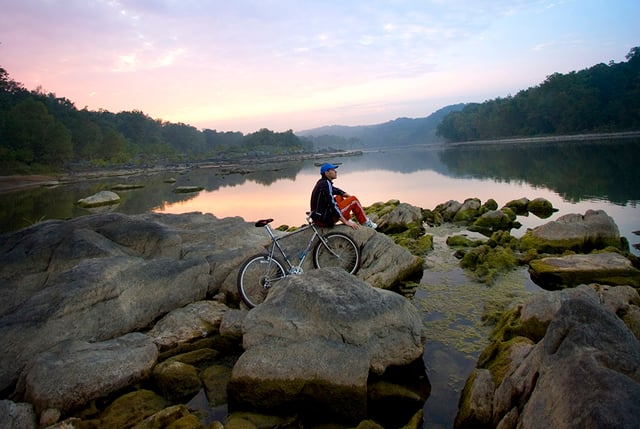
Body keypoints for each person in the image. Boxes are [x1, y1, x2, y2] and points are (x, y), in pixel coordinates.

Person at [310, 163, 377, 230]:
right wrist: (345, 222)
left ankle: (348, 218)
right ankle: (365, 223)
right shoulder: (326, 184)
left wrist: (348, 196)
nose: (335, 171)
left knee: (340, 197)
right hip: (325, 220)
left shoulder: (322, 182)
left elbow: (337, 190)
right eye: (333, 170)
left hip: (319, 217)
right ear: (326, 172)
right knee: (354, 200)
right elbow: (332, 205)